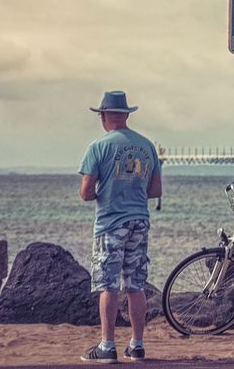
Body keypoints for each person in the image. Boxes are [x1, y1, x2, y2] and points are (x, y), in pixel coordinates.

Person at [79, 91, 163, 363]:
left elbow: (86, 192)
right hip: (139, 220)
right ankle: (137, 345)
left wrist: (107, 190)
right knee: (136, 285)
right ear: (126, 115)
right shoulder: (147, 146)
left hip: (110, 222)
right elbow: (155, 189)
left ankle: (107, 346)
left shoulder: (98, 147)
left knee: (109, 285)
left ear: (103, 116)